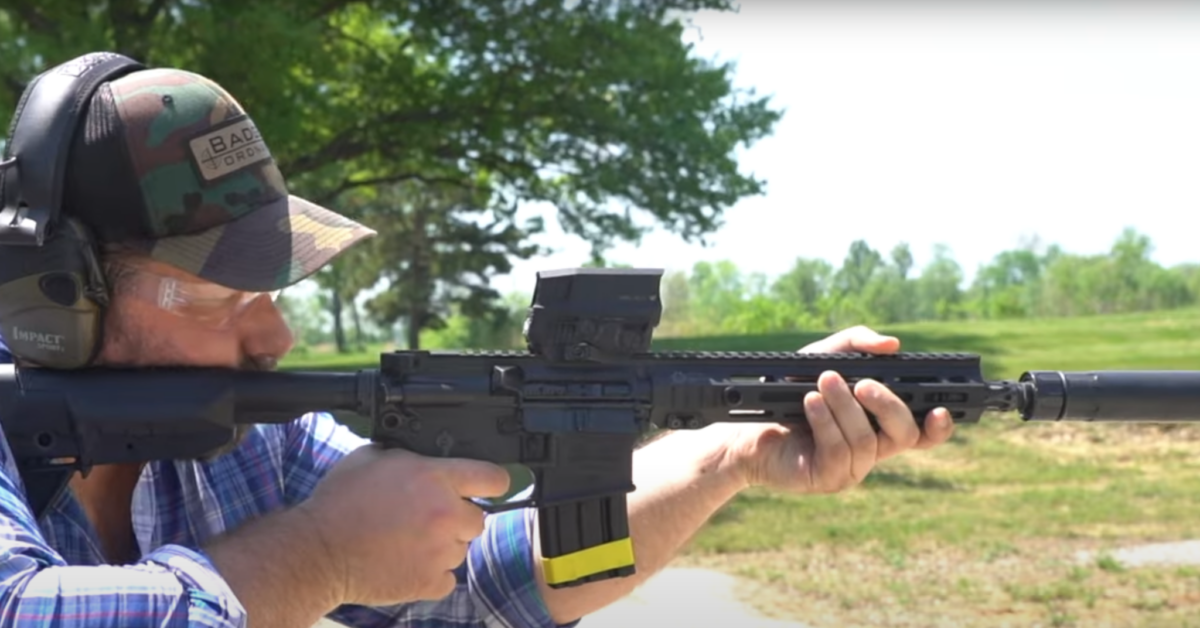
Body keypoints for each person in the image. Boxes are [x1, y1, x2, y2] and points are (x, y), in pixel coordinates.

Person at [0, 60, 956, 628]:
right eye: (222, 297)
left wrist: (728, 450)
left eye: (274, 291)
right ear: (56, 295)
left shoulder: (253, 439)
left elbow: (480, 591)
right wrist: (320, 555)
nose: (275, 335)